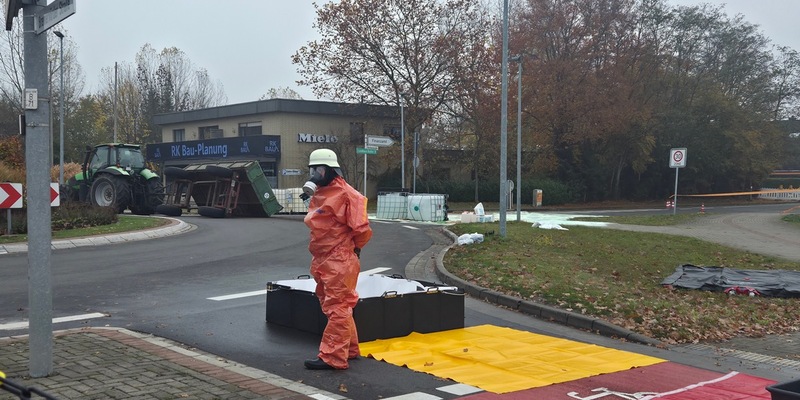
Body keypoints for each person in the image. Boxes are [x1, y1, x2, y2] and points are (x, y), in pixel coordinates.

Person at [301, 148, 372, 370]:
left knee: (337, 306)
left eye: (319, 169)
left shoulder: (348, 195)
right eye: (313, 170)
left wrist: (353, 249)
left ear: (331, 170)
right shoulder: (322, 193)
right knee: (334, 304)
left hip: (339, 259)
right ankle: (348, 349)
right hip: (324, 258)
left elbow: (362, 230)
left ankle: (332, 357)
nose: (315, 174)